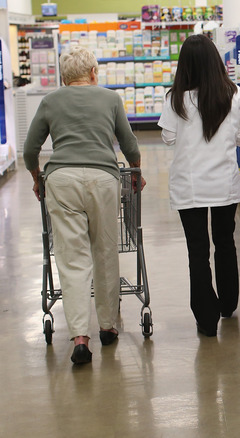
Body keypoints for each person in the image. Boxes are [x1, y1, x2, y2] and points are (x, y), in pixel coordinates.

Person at [23, 45, 144, 365]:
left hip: (61, 182)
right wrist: (136, 173)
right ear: (93, 73)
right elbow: (130, 144)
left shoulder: (50, 101)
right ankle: (107, 327)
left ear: (64, 77)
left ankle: (79, 336)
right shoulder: (110, 99)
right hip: (103, 180)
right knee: (105, 252)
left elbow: (29, 150)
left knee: (72, 259)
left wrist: (38, 178)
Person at [158, 34, 240, 337]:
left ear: (184, 65)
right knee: (225, 243)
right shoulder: (233, 94)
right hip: (223, 182)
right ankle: (228, 304)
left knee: (196, 251)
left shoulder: (175, 97)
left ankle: (206, 317)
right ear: (215, 61)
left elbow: (168, 138)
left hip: (189, 186)